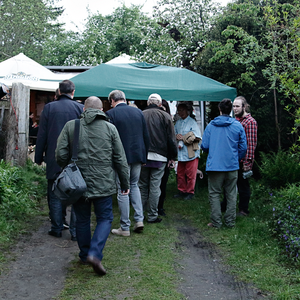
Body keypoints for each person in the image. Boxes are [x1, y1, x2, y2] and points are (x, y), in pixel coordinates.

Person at [56, 96, 130, 275]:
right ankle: (95, 254)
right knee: (104, 218)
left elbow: (60, 154)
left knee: (81, 219)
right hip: (103, 181)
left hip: (77, 182)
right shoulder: (110, 128)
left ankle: (84, 255)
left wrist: (68, 168)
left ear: (84, 109)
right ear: (102, 110)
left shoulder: (71, 126)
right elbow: (120, 158)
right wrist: (125, 182)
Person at [35, 80, 83, 240]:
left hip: (54, 156)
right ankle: (75, 232)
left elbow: (41, 134)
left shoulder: (49, 108)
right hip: (75, 157)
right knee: (77, 194)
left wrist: (38, 156)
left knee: (54, 191)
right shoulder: (79, 108)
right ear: (73, 92)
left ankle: (56, 227)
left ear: (59, 92)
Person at [106, 90, 149, 237]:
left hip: (121, 158)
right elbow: (145, 136)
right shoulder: (138, 113)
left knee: (123, 189)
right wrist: (144, 156)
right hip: (138, 155)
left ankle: (125, 227)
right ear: (124, 99)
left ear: (112, 100)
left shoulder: (111, 114)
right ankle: (139, 219)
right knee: (134, 185)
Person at [201, 99, 247, 228]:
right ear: (231, 110)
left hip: (215, 166)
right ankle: (230, 222)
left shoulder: (211, 125)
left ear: (220, 110)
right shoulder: (237, 125)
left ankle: (216, 222)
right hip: (232, 165)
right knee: (231, 194)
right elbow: (243, 147)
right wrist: (236, 158)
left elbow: (204, 145)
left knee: (214, 194)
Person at [139, 93, 177, 223]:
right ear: (160, 104)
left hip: (143, 155)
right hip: (160, 156)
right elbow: (171, 139)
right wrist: (173, 157)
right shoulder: (166, 116)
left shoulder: (141, 114)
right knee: (155, 186)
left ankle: (140, 215)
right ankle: (152, 215)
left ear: (148, 103)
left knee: (142, 186)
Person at [232, 96, 258, 216]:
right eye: (233, 106)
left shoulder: (250, 122)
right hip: (234, 158)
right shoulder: (236, 120)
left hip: (243, 160)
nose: (235, 108)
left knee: (243, 186)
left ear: (244, 106)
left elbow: (251, 144)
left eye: (237, 106)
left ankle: (243, 210)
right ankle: (226, 205)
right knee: (230, 183)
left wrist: (248, 162)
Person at [174, 103, 201, 200]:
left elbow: (197, 137)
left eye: (182, 110)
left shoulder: (192, 122)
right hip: (181, 151)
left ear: (187, 111)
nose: (181, 112)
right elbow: (175, 133)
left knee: (190, 173)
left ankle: (190, 191)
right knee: (180, 172)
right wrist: (177, 137)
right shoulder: (178, 123)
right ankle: (182, 190)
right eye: (179, 111)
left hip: (190, 152)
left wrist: (184, 137)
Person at [158, 100, 174, 216]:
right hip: (158, 154)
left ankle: (160, 206)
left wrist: (172, 157)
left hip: (165, 156)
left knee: (163, 183)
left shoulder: (169, 122)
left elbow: (171, 141)